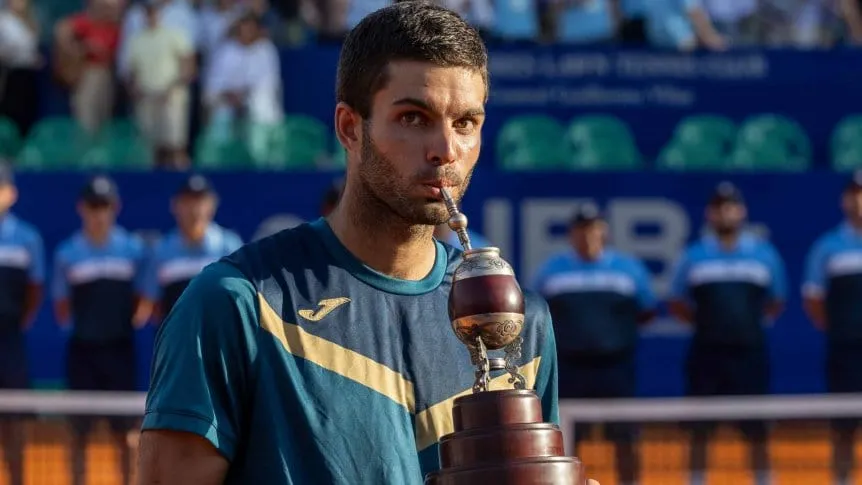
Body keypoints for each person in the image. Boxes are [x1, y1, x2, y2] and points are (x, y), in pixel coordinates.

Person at [137, 4, 596, 485]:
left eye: (465, 123)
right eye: (414, 118)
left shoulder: (517, 323)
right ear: (349, 128)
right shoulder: (236, 305)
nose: (445, 149)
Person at [667, 182, 787, 485]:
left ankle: (762, 480)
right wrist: (709, 325)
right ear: (710, 214)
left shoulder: (764, 255)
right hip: (706, 355)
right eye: (719, 207)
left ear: (742, 211)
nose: (725, 212)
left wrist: (744, 325)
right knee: (699, 429)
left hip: (749, 355)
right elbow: (676, 301)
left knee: (757, 429)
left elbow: (776, 301)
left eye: (731, 206)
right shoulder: (693, 256)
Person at [531, 203, 656, 485]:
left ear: (604, 231)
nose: (587, 235)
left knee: (624, 438)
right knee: (568, 438)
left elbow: (647, 311)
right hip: (570, 369)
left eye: (593, 228)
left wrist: (613, 339)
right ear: (571, 234)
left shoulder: (629, 270)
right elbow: (536, 316)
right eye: (581, 229)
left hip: (615, 369)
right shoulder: (552, 271)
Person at [52, 175, 148, 485]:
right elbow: (62, 306)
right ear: (82, 208)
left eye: (104, 206)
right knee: (79, 436)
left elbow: (143, 302)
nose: (99, 213)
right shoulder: (67, 253)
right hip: (83, 354)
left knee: (127, 435)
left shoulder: (133, 249)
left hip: (120, 351)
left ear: (115, 207)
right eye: (93, 206)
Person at [802, 171, 862, 485]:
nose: (859, 200)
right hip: (846, 352)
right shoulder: (827, 247)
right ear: (844, 201)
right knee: (843, 426)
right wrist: (841, 329)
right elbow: (813, 298)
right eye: (854, 193)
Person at [140, 174, 242, 321]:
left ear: (212, 205)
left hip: (219, 339)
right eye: (187, 201)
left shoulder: (230, 247)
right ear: (175, 206)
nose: (194, 209)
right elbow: (152, 304)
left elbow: (239, 298)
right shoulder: (161, 251)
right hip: (177, 341)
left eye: (200, 201)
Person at [0, 162, 44, 485]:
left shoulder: (28, 238)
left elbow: (35, 292)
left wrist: (16, 321)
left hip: (10, 341)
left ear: (11, 193)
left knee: (13, 421)